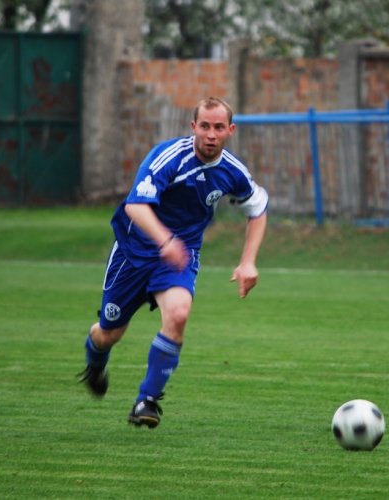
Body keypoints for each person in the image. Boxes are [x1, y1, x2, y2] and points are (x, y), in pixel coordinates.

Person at [78, 97, 269, 429]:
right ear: (194, 127)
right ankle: (95, 362)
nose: (211, 134)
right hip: (133, 252)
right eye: (205, 126)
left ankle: (147, 401)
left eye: (219, 127)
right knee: (108, 334)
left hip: (180, 255)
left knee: (178, 314)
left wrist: (248, 261)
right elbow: (135, 207)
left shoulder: (232, 172)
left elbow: (258, 208)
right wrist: (164, 240)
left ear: (230, 131)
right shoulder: (169, 157)